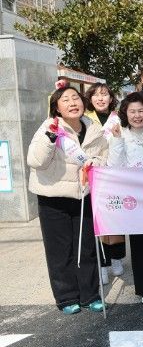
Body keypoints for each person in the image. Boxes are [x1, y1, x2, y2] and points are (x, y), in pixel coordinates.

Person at [27, 85, 108, 314]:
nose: (72, 103)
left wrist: (94, 164)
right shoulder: (49, 127)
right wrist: (51, 137)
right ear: (57, 108)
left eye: (76, 98)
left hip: (84, 195)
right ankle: (66, 297)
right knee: (60, 251)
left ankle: (90, 295)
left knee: (87, 248)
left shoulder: (94, 129)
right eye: (65, 100)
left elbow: (104, 157)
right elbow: (36, 161)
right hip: (53, 197)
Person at [109, 92, 143, 306]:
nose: (137, 115)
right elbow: (114, 165)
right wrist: (116, 141)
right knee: (139, 243)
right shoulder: (119, 134)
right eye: (132, 111)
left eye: (141, 110)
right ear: (125, 113)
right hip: (133, 198)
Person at [84, 82, 126, 283]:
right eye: (96, 95)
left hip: (115, 175)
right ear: (90, 98)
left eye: (104, 94)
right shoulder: (84, 119)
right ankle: (102, 263)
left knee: (115, 218)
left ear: (111, 98)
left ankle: (116, 257)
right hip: (93, 174)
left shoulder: (119, 118)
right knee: (97, 219)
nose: (100, 98)